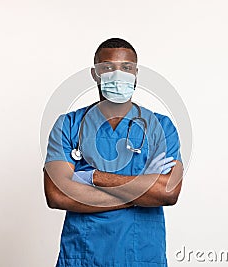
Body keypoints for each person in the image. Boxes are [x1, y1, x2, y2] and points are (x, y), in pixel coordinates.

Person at [43, 38, 183, 267]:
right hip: (84, 255)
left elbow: (168, 193)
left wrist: (93, 177)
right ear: (94, 73)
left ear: (136, 73)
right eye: (108, 68)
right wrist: (141, 192)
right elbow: (57, 195)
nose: (118, 75)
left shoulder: (161, 127)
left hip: (142, 255)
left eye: (126, 68)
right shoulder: (68, 125)